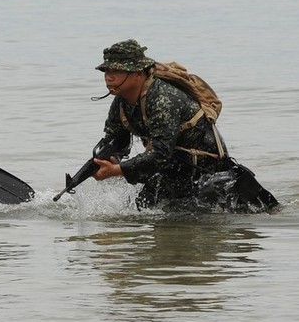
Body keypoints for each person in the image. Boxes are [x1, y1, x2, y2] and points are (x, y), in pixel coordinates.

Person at [91, 39, 230, 210]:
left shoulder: (163, 99)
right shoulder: (121, 102)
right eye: (106, 71)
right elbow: (116, 140)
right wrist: (110, 159)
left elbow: (161, 154)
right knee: (141, 209)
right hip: (170, 168)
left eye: (117, 71)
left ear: (138, 74)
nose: (108, 77)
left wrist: (117, 170)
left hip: (205, 173)